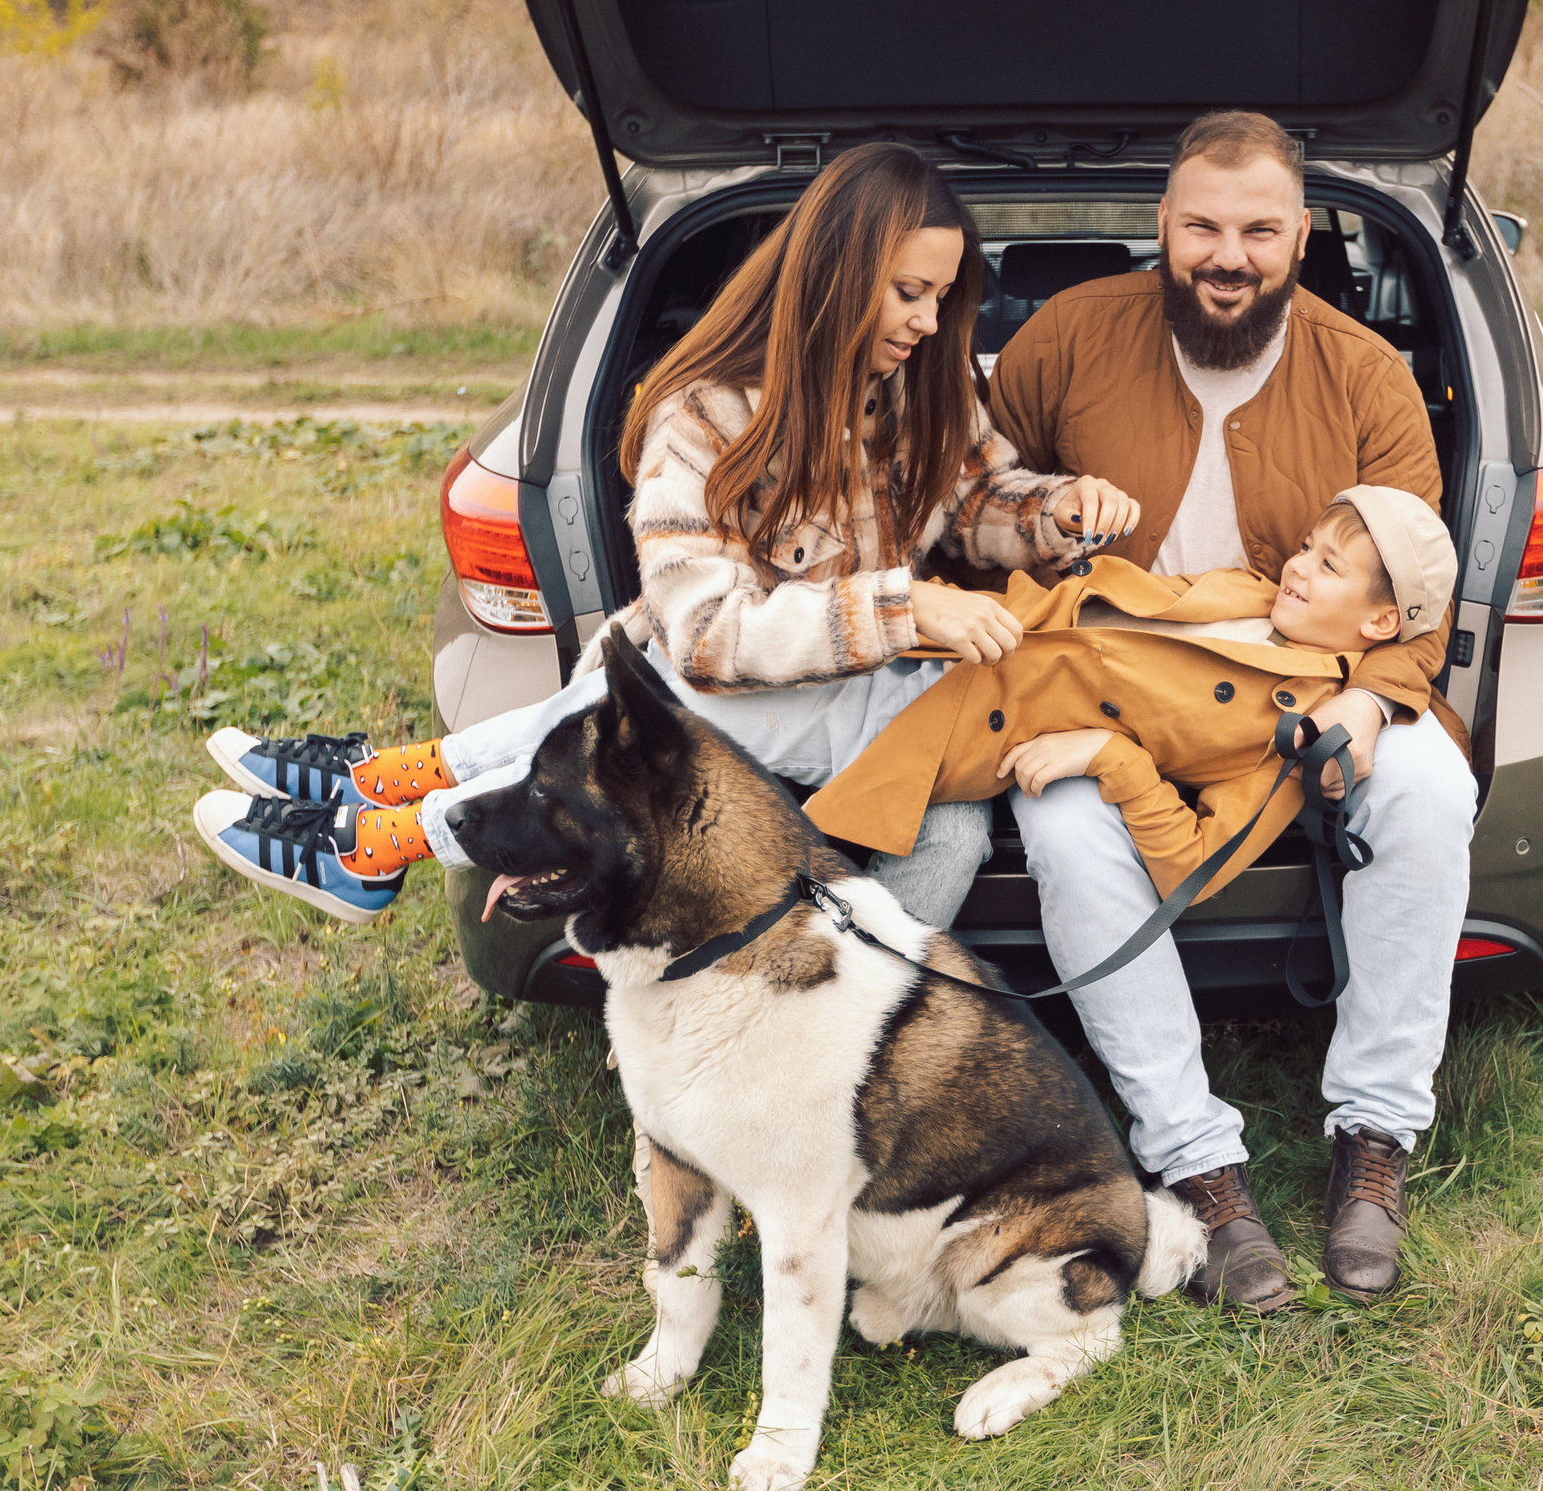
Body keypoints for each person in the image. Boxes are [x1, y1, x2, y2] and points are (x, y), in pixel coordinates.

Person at [190, 143, 1138, 933]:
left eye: (940, 296)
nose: (932, 324)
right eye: (908, 294)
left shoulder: (923, 391)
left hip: (864, 706)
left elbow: (982, 500)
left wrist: (1058, 512)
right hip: (738, 689)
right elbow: (708, 637)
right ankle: (384, 825)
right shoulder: (702, 414)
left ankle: (387, 809)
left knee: (948, 825)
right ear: (839, 275)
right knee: (682, 701)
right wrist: (904, 604)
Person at [984, 110, 1478, 1309]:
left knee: (1427, 785)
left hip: (1307, 689)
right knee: (1063, 827)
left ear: (1298, 237)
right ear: (1160, 226)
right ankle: (1199, 1167)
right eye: (1201, 225)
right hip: (1115, 694)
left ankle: (1374, 1139)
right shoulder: (1064, 338)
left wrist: (1373, 707)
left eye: (1258, 229)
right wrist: (1041, 523)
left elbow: (1418, 585)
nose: (1227, 255)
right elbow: (978, 498)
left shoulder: (1365, 375)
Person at [806, 487, 1457, 917]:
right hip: (956, 630)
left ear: (1380, 623)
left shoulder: (1296, 726)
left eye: (1329, 566)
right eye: (1306, 547)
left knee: (749, 775)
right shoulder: (1245, 592)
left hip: (958, 721)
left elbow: (1194, 866)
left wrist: (1111, 756)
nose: (1299, 566)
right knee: (746, 682)